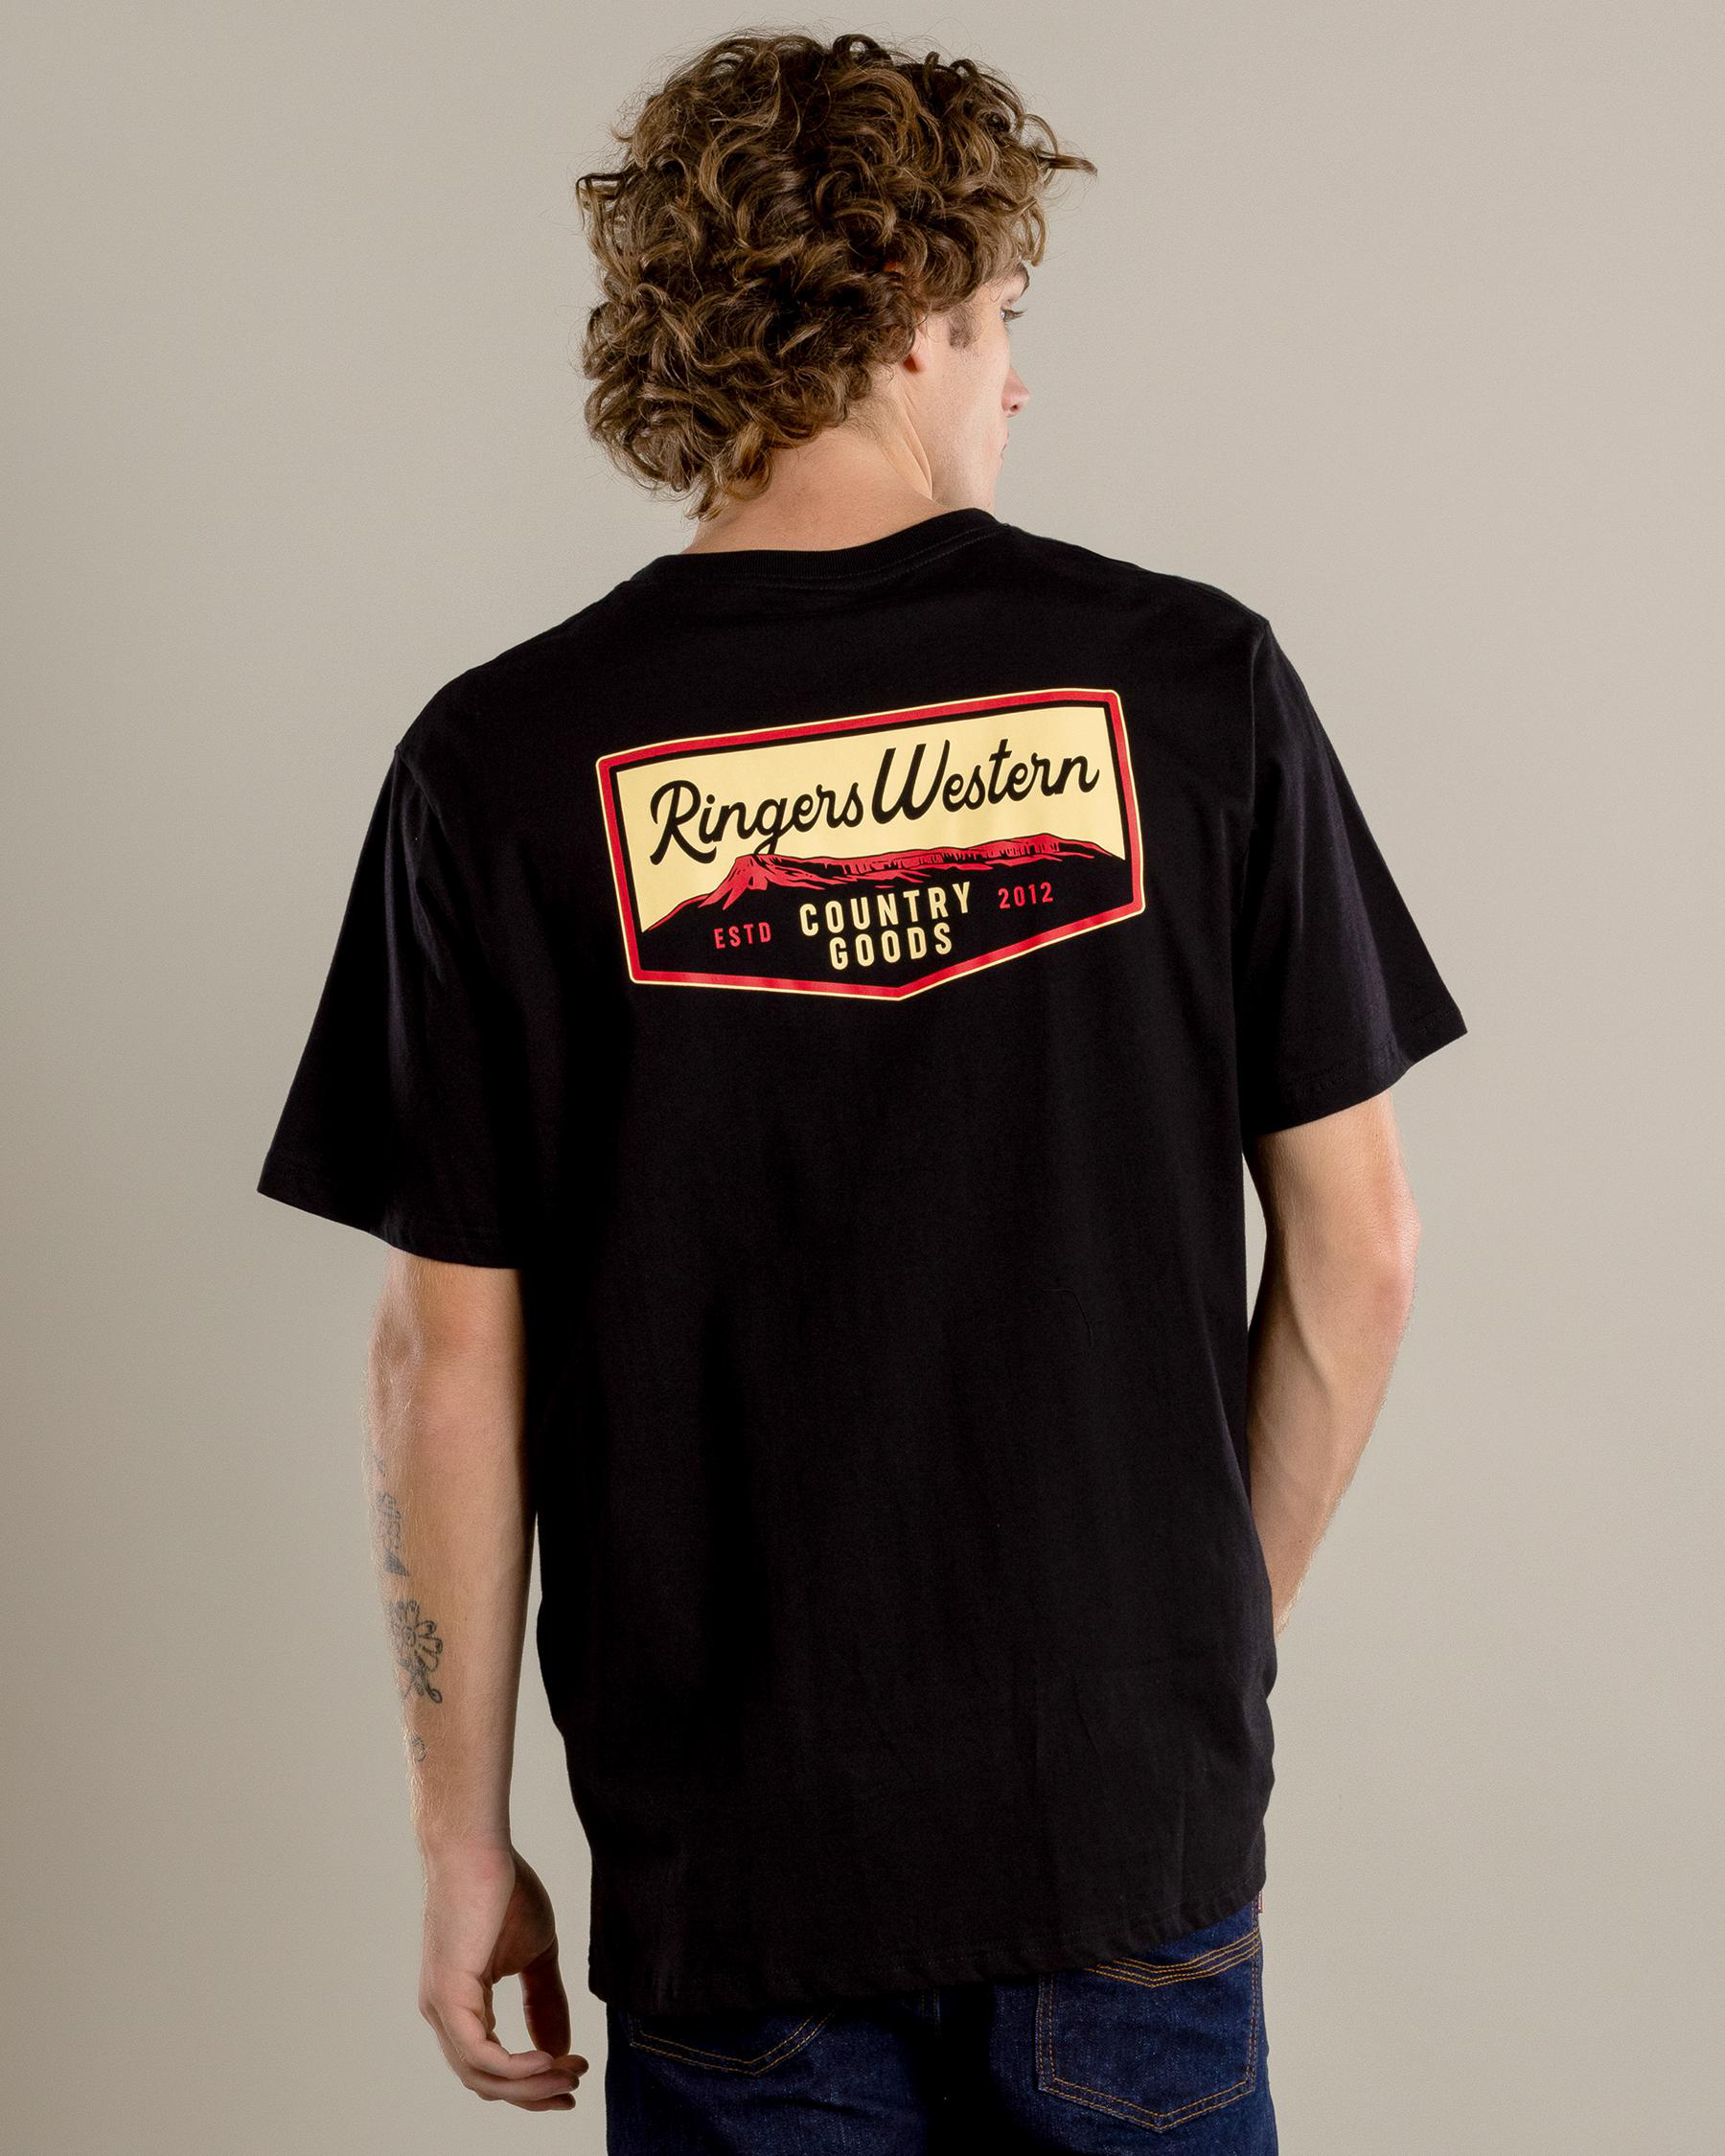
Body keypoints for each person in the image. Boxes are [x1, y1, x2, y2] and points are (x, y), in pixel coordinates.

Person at [258, 29, 1465, 2151]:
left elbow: (444, 1364)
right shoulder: (1193, 687)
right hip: (1123, 1843)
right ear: (912, 311)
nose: (1015, 384)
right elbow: (1361, 1258)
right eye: (1000, 321)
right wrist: (1181, 1683)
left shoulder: (503, 763)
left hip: (742, 1882)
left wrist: (461, 1839)